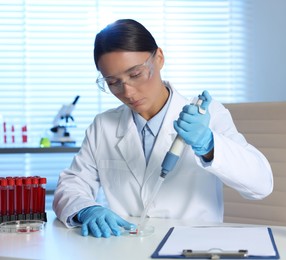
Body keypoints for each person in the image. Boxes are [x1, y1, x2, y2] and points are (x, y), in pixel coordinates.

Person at [53, 19, 273, 238]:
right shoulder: (103, 126)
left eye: (136, 74)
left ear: (159, 58)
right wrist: (86, 209)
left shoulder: (209, 115)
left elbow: (261, 184)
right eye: (113, 82)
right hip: (125, 247)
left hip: (193, 245)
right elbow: (72, 185)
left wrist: (209, 144)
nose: (127, 92)